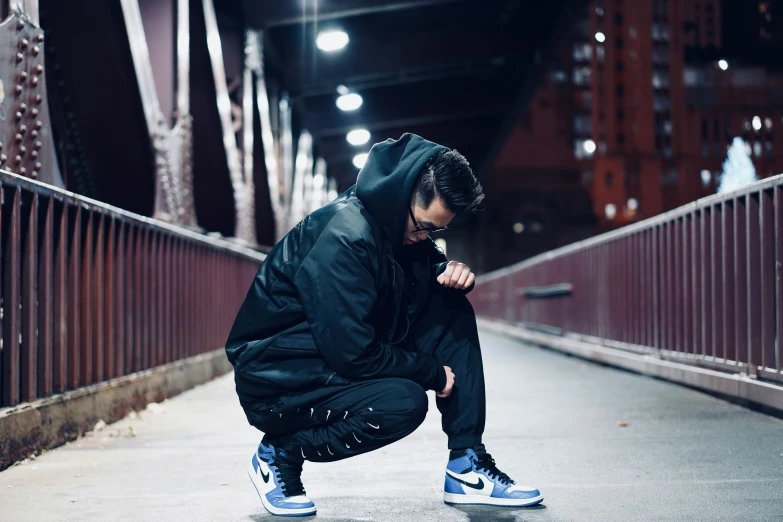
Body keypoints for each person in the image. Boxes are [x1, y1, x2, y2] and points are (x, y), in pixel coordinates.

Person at [225, 133, 543, 517]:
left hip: (323, 357)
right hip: (279, 379)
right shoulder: (344, 236)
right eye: (423, 228)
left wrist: (447, 272)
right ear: (404, 194)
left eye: (435, 233)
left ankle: (466, 464)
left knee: (451, 306)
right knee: (401, 403)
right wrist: (431, 372)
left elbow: (408, 273)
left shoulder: (395, 227)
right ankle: (279, 453)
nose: (425, 238)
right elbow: (354, 354)